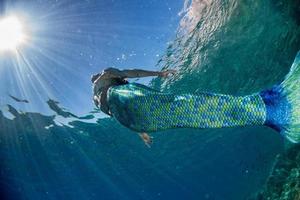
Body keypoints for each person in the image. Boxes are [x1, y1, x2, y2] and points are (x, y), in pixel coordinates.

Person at [92, 52, 300, 147]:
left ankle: (265, 113)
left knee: (187, 116)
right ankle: (271, 107)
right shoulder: (106, 75)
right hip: (128, 100)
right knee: (187, 105)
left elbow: (120, 114)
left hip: (134, 122)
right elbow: (133, 73)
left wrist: (142, 133)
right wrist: (158, 74)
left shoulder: (97, 101)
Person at [92, 68, 176, 147]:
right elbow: (135, 73)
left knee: (130, 112)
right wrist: (159, 73)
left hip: (112, 110)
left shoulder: (94, 95)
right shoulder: (106, 73)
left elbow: (106, 109)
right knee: (131, 94)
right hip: (114, 94)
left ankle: (141, 131)